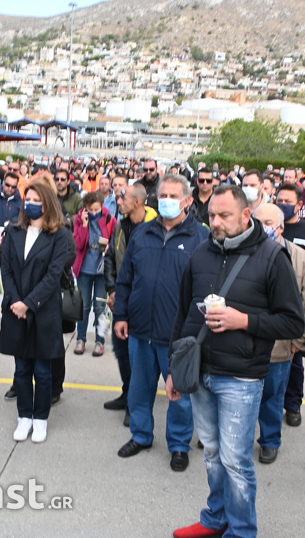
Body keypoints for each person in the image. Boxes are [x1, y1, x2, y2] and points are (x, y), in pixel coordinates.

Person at [168, 185, 304, 538]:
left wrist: (242, 320)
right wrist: (174, 368)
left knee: (236, 461)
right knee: (212, 454)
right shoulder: (201, 253)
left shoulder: (273, 257)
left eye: (224, 215)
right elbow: (184, 315)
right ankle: (216, 519)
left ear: (246, 215)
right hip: (200, 373)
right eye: (212, 215)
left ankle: (242, 531)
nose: (216, 222)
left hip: (241, 378)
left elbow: (293, 322)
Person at [113, 175, 209, 471]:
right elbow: (126, 278)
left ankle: (179, 445)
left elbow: (204, 290)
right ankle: (141, 435)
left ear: (188, 201)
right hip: (140, 329)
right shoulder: (142, 234)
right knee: (139, 389)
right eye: (162, 194)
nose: (166, 199)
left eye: (173, 195)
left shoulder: (201, 238)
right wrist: (121, 315)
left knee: (179, 394)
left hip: (177, 336)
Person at [0, 181, 70, 443]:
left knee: (42, 371)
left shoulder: (59, 235)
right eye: (27, 198)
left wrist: (28, 303)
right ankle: (23, 417)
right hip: (16, 311)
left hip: (43, 312)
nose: (30, 204)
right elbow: (4, 267)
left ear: (48, 203)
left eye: (37, 200)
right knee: (21, 371)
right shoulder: (14, 231)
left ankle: (40, 419)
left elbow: (53, 275)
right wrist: (16, 301)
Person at [253, 203, 305, 463]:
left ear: (280, 227)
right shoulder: (242, 251)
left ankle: (269, 440)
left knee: (272, 397)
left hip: (281, 346)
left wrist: (300, 342)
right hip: (245, 341)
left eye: (267, 222)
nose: (261, 227)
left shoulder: (299, 257)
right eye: (257, 221)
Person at [104, 182, 158, 421]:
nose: (119, 201)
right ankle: (127, 393)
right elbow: (110, 258)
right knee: (121, 351)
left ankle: (136, 405)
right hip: (122, 301)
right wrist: (113, 290)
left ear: (137, 202)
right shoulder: (121, 225)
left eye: (123, 197)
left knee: (141, 357)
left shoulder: (156, 227)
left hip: (144, 304)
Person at [273, 182, 305, 423]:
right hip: (274, 315)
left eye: (287, 201)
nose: (282, 205)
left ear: (299, 204)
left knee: (295, 365)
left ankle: (293, 405)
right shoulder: (268, 230)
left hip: (296, 314)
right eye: (279, 200)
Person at [73, 192, 116, 357]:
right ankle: (81, 339)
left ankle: (100, 340)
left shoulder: (109, 219)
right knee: (83, 306)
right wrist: (84, 225)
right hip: (84, 269)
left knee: (101, 308)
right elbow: (78, 243)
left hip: (102, 270)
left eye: (96, 209)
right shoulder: (79, 219)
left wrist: (109, 247)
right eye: (90, 210)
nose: (93, 212)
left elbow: (115, 240)